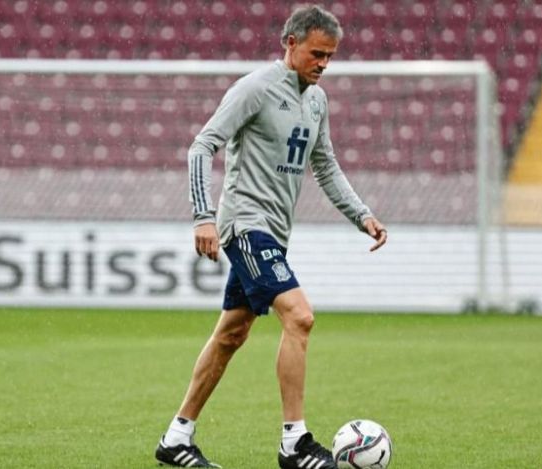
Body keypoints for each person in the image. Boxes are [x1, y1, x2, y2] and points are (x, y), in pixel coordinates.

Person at [155, 5, 387, 469]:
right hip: (244, 224)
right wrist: (203, 217)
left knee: (232, 334)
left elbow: (325, 166)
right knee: (299, 317)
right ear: (290, 43)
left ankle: (176, 438)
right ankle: (294, 443)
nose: (323, 63)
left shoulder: (316, 101)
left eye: (330, 56)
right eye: (316, 53)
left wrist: (361, 214)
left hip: (274, 233)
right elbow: (202, 146)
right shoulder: (255, 88)